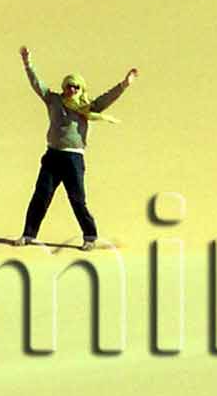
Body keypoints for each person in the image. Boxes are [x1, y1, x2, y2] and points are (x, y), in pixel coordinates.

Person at [17, 46, 136, 246]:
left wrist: (124, 85)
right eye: (69, 85)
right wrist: (27, 63)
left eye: (76, 87)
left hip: (73, 158)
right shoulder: (53, 100)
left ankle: (90, 237)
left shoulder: (86, 107)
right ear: (64, 87)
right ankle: (28, 234)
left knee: (77, 199)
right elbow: (37, 84)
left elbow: (107, 98)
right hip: (52, 156)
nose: (71, 89)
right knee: (41, 195)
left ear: (81, 89)